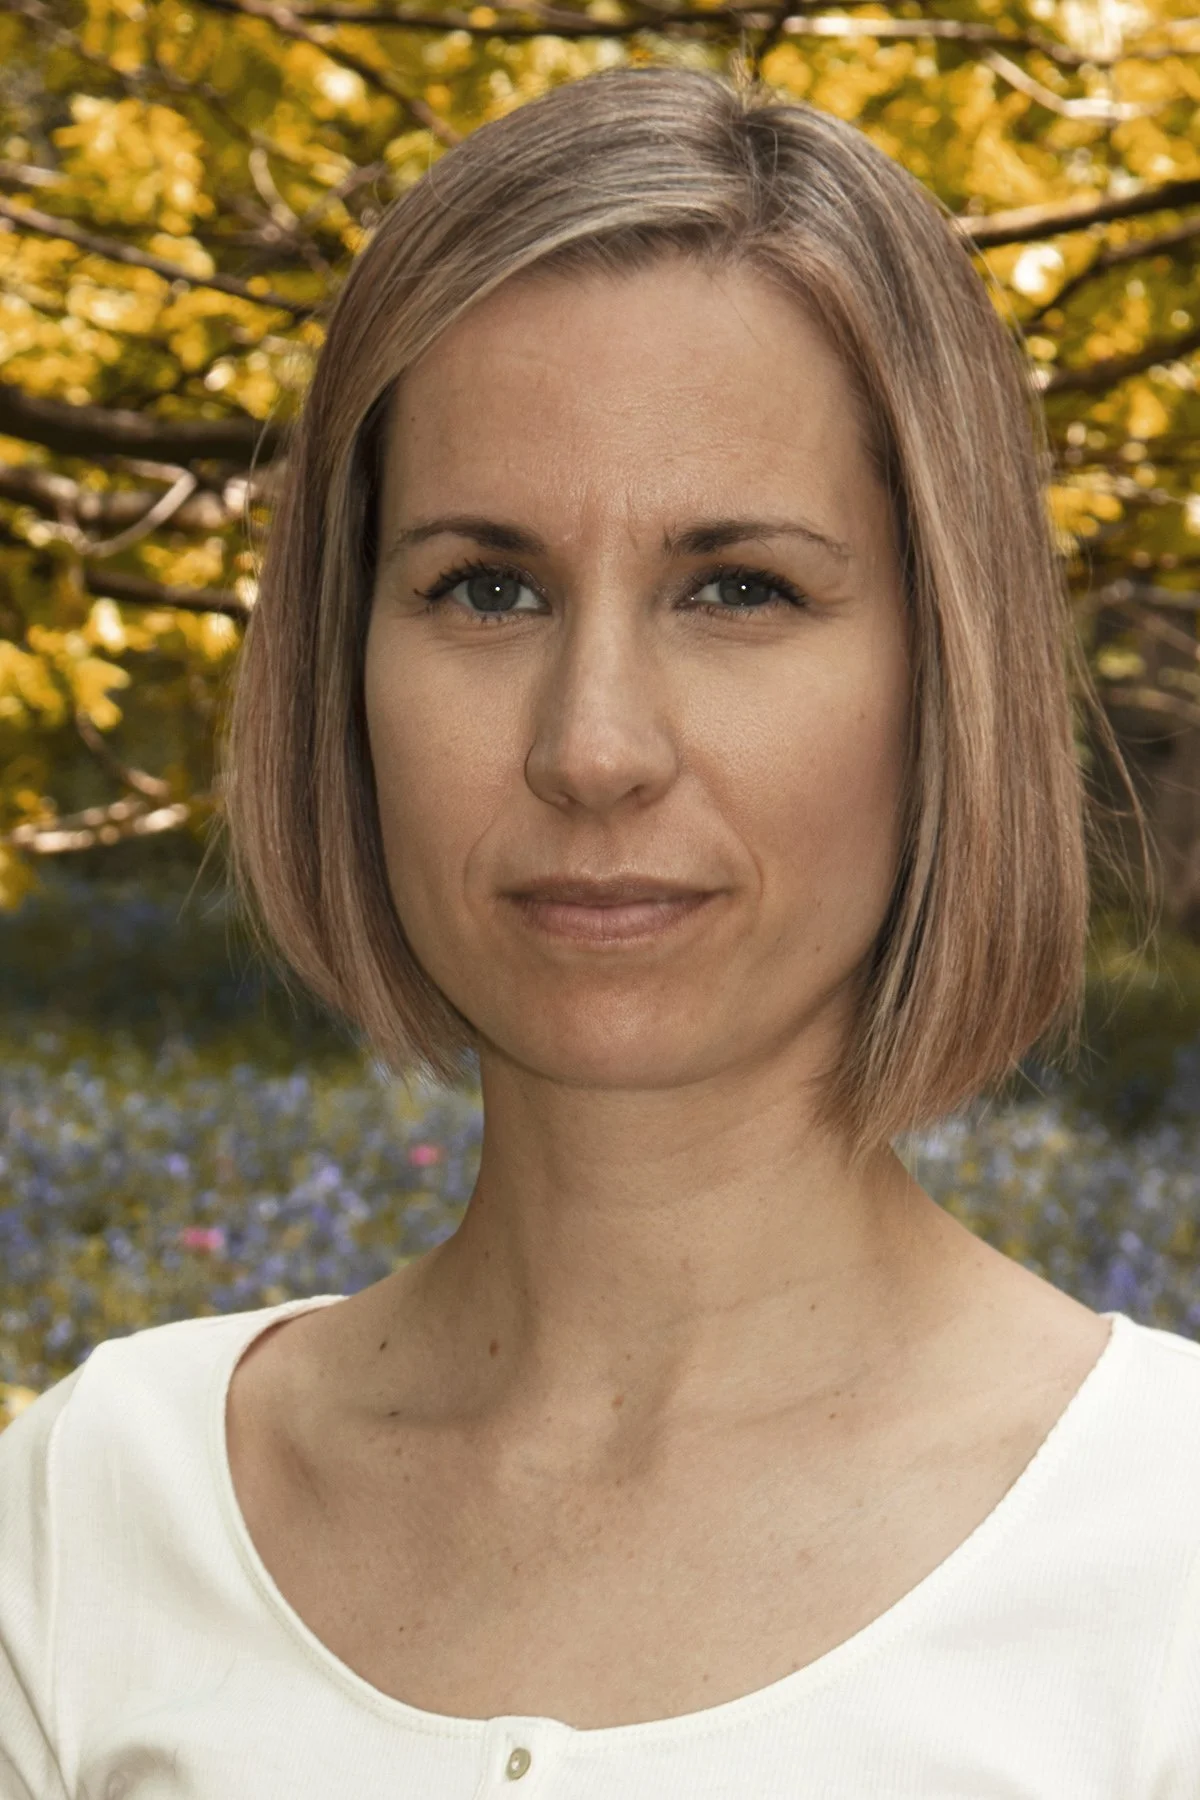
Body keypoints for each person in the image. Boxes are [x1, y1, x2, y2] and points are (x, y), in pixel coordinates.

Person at [2, 63, 1197, 1800]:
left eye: (739, 589)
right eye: (486, 587)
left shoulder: (1163, 1561)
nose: (594, 747)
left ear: (947, 674)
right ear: (344, 668)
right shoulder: (102, 1516)